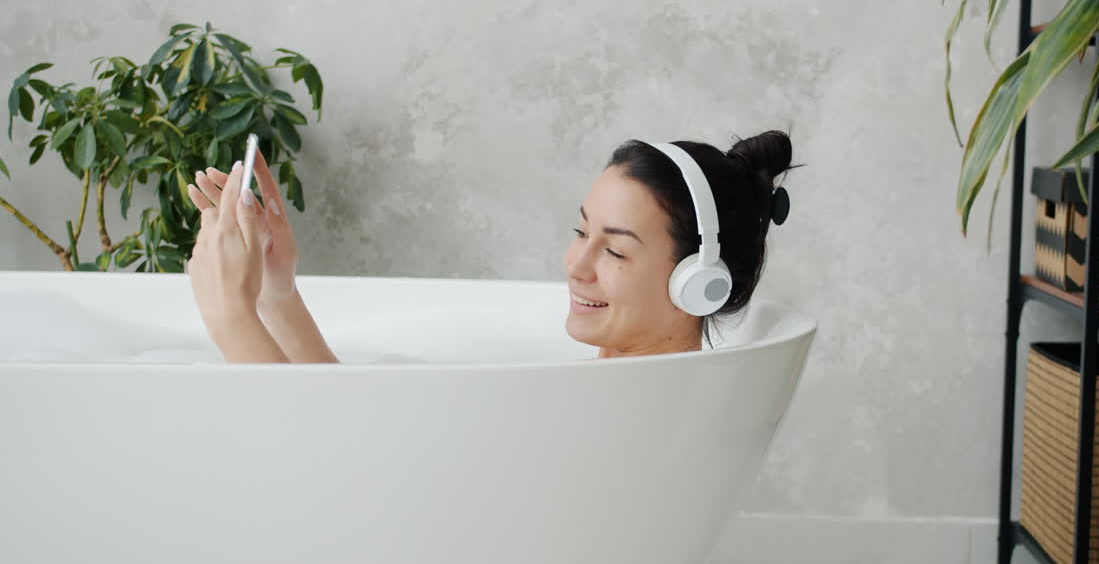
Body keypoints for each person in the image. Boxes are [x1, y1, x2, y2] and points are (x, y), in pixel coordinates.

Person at [185, 130, 795, 363]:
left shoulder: (629, 415)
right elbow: (345, 438)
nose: (575, 266)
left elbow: (326, 478)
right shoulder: (618, 392)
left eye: (614, 251)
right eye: (581, 232)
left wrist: (230, 318)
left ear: (697, 281)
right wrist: (276, 293)